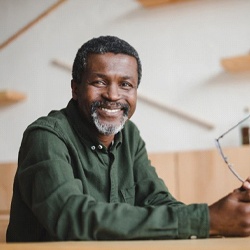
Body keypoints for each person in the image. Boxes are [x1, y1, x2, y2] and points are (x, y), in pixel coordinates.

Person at [6, 35, 250, 242]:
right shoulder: (46, 137)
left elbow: (157, 199)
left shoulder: (128, 134)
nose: (113, 95)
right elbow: (72, 219)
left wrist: (227, 214)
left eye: (125, 84)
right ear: (75, 88)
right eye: (99, 82)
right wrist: (206, 220)